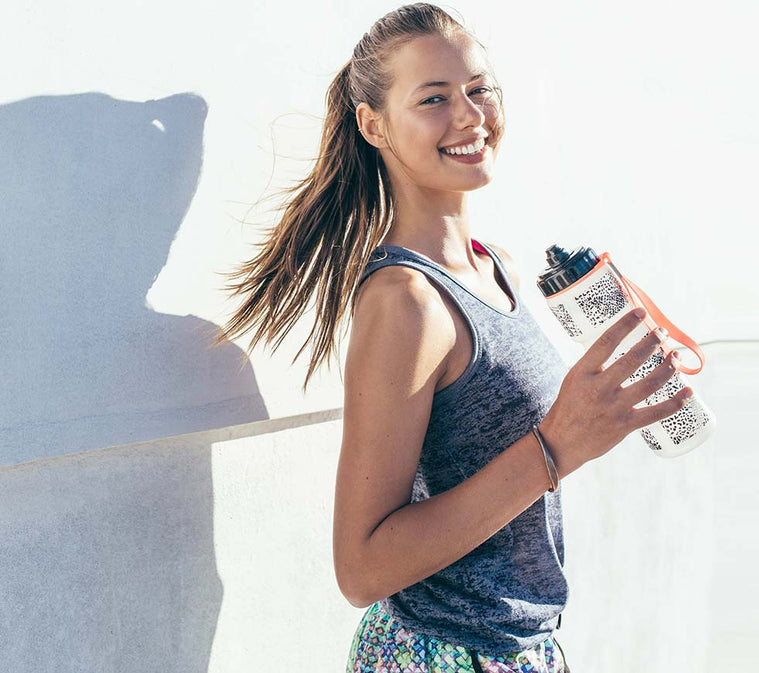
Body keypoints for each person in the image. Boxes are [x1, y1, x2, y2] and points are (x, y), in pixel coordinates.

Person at [211, 4, 693, 671]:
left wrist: (608, 398)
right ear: (373, 125)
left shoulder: (498, 267)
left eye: (479, 89)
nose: (470, 116)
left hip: (519, 649)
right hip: (438, 654)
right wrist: (557, 445)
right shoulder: (405, 302)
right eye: (434, 98)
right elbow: (361, 568)